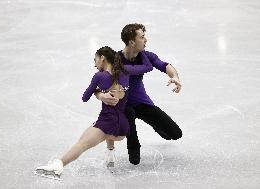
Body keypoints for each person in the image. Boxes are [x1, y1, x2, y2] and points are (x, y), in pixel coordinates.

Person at [34, 46, 153, 180]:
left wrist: (100, 93)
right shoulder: (126, 71)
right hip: (123, 128)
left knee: (82, 143)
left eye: (95, 60)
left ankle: (58, 167)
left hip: (108, 123)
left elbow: (85, 97)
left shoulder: (99, 76)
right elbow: (148, 66)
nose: (95, 64)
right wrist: (140, 50)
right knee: (107, 130)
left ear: (102, 58)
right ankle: (110, 153)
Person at [95, 23, 183, 165]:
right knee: (134, 159)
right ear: (131, 42)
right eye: (142, 37)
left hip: (142, 103)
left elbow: (165, 65)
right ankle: (134, 147)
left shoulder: (145, 56)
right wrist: (101, 96)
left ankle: (156, 125)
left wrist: (175, 77)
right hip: (123, 107)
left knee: (175, 134)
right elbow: (96, 85)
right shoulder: (115, 59)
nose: (146, 40)